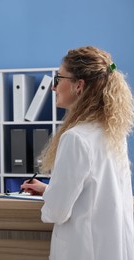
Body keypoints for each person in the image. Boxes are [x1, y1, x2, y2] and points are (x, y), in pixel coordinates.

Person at [21, 46, 134, 260]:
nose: (54, 87)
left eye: (58, 78)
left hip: (84, 250)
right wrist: (50, 190)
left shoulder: (76, 138)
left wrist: (52, 199)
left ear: (78, 86)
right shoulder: (111, 131)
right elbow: (97, 193)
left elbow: (57, 212)